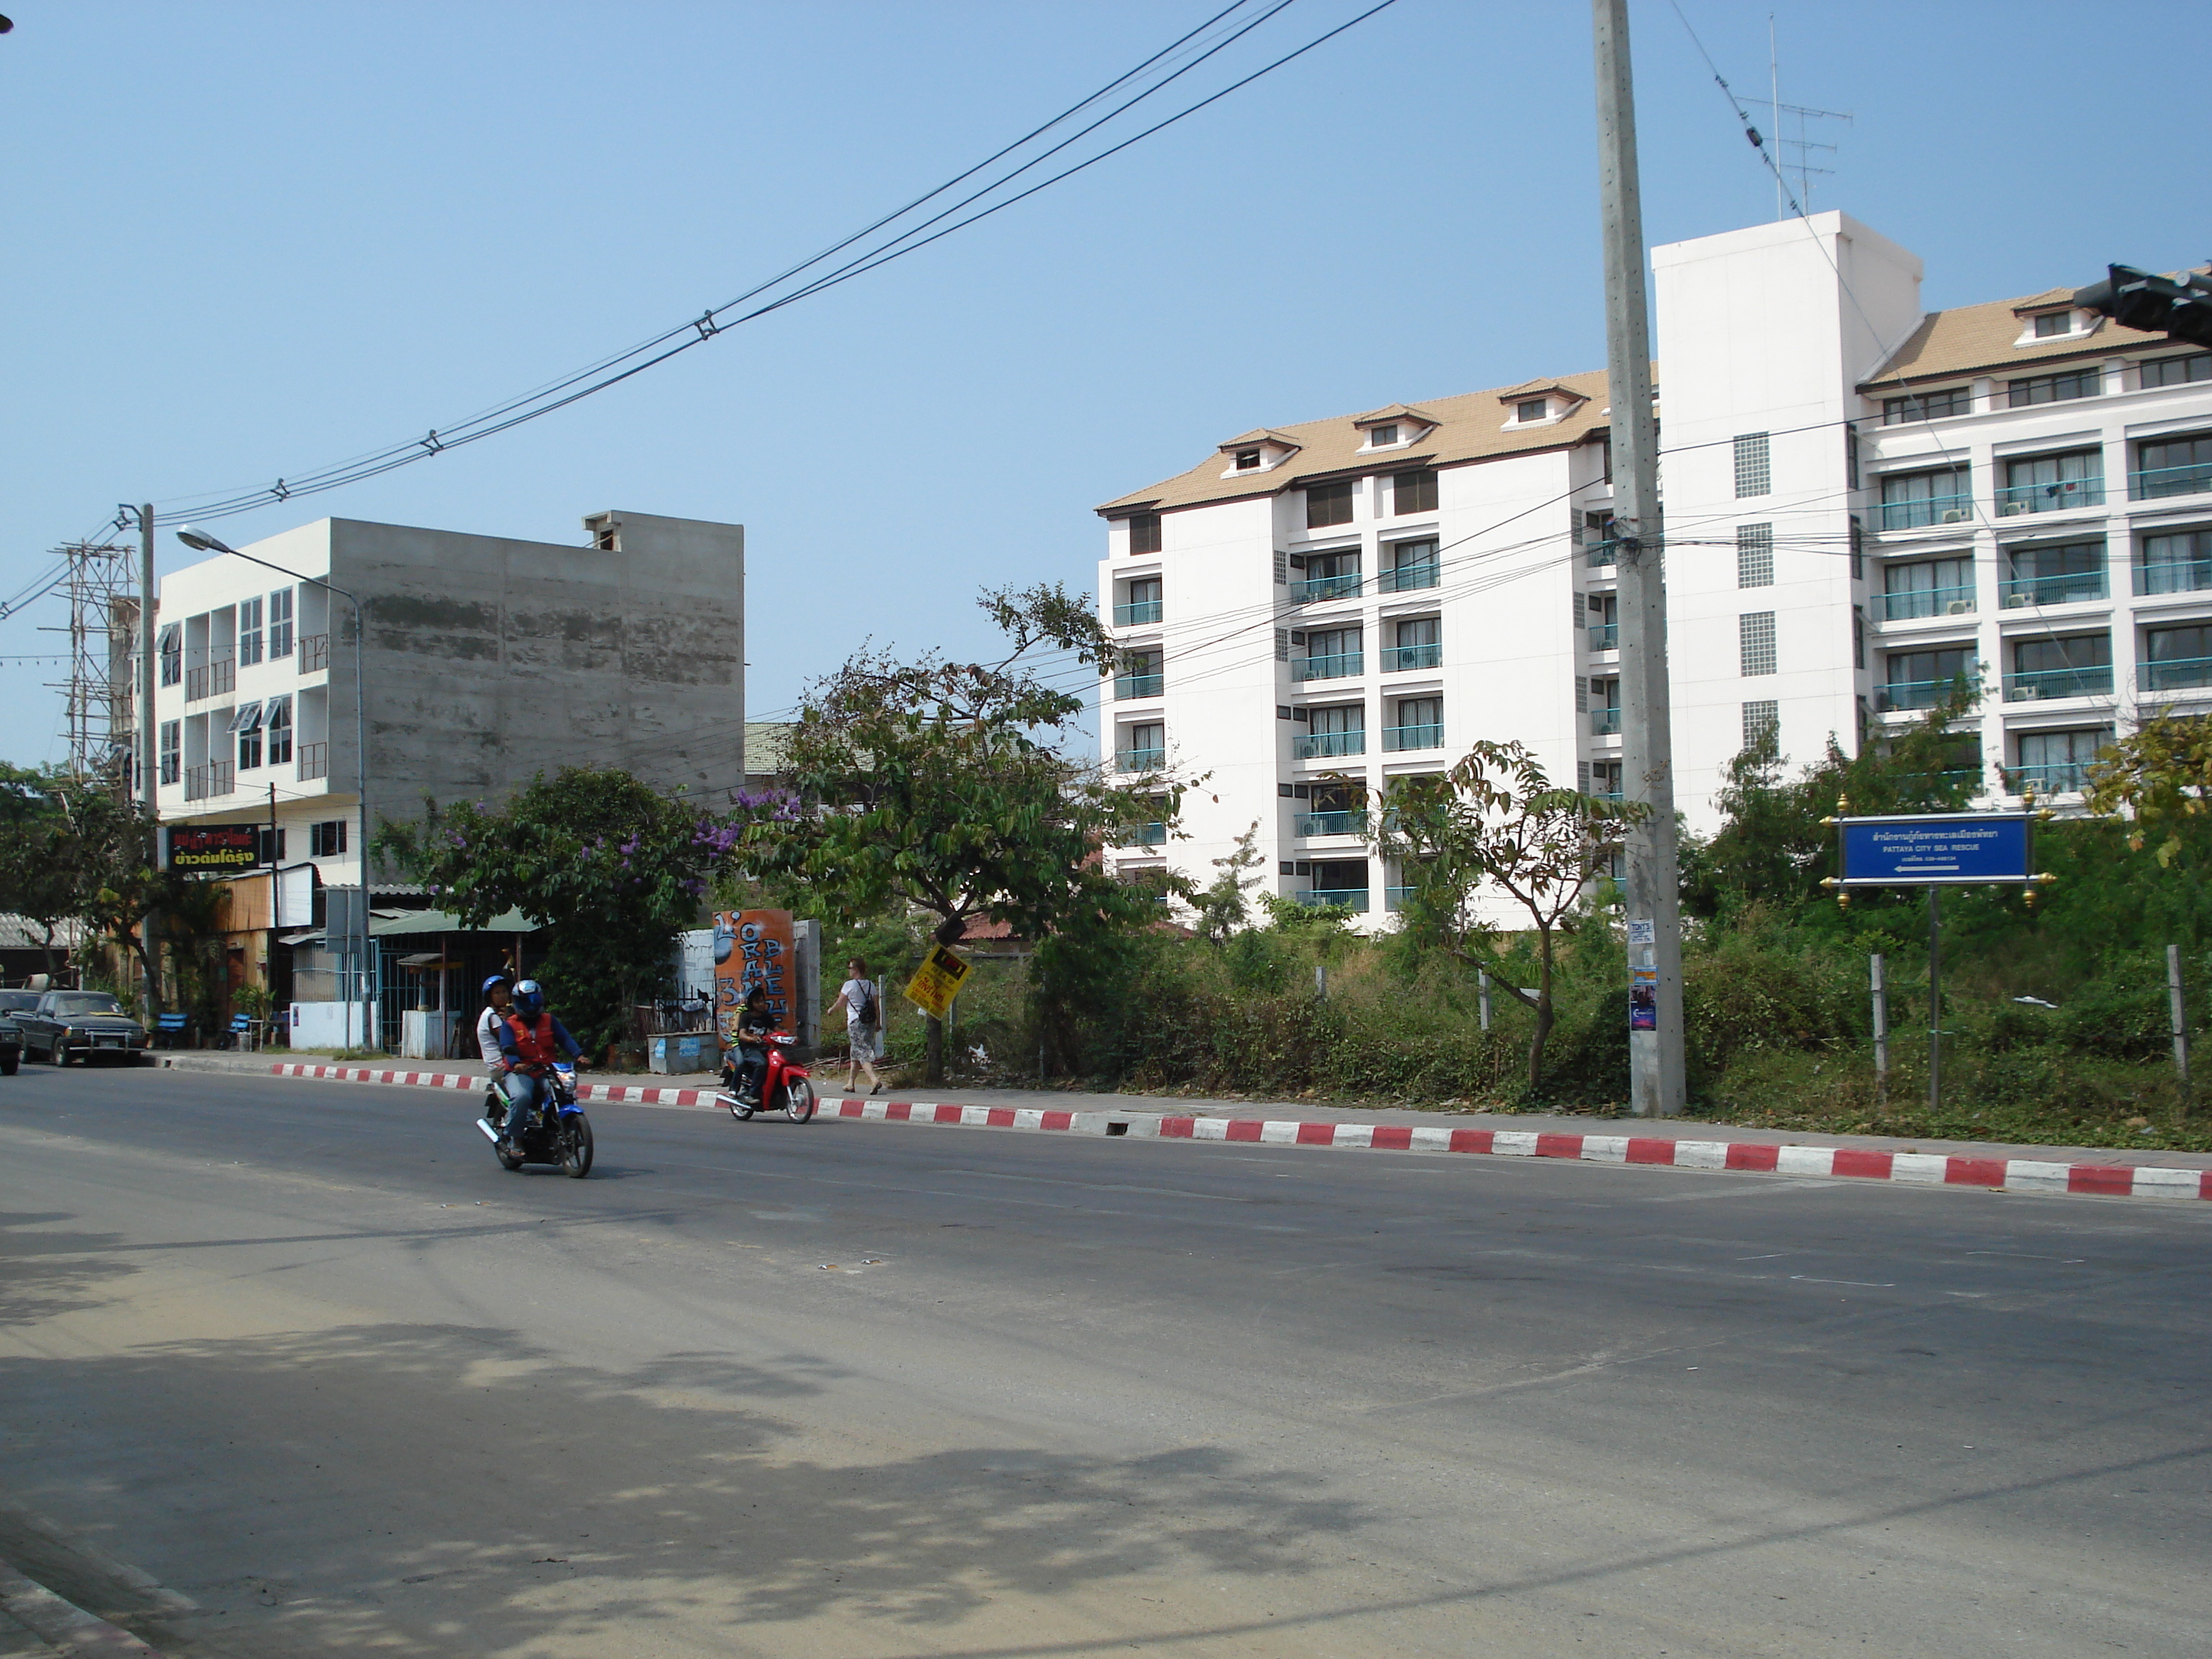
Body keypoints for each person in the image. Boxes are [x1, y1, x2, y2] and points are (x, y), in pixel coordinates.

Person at [495, 978, 584, 1151]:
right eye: (526, 1001)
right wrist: (517, 1064)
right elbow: (507, 1048)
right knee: (522, 1097)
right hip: (521, 1072)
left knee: (564, 1093)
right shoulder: (510, 1025)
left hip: (547, 1070)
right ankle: (516, 1139)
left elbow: (565, 1038)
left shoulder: (549, 1020)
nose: (531, 1004)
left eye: (534, 999)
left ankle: (561, 1129)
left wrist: (579, 1055)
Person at [824, 957, 885, 1095]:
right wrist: (878, 1023)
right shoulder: (871, 985)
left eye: (850, 968)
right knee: (856, 1052)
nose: (849, 971)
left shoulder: (849, 985)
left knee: (862, 1052)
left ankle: (874, 1080)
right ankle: (850, 1083)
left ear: (856, 970)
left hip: (856, 1022)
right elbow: (876, 1007)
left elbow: (840, 1002)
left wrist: (831, 1010)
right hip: (869, 1023)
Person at [727, 984, 777, 1107]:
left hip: (763, 1048)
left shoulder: (767, 1017)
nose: (761, 1004)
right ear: (751, 1003)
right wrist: (751, 1039)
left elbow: (777, 1029)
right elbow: (742, 1034)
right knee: (761, 1064)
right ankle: (752, 1094)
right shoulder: (746, 1016)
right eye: (757, 1001)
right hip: (748, 1049)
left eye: (762, 1001)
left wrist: (789, 1037)